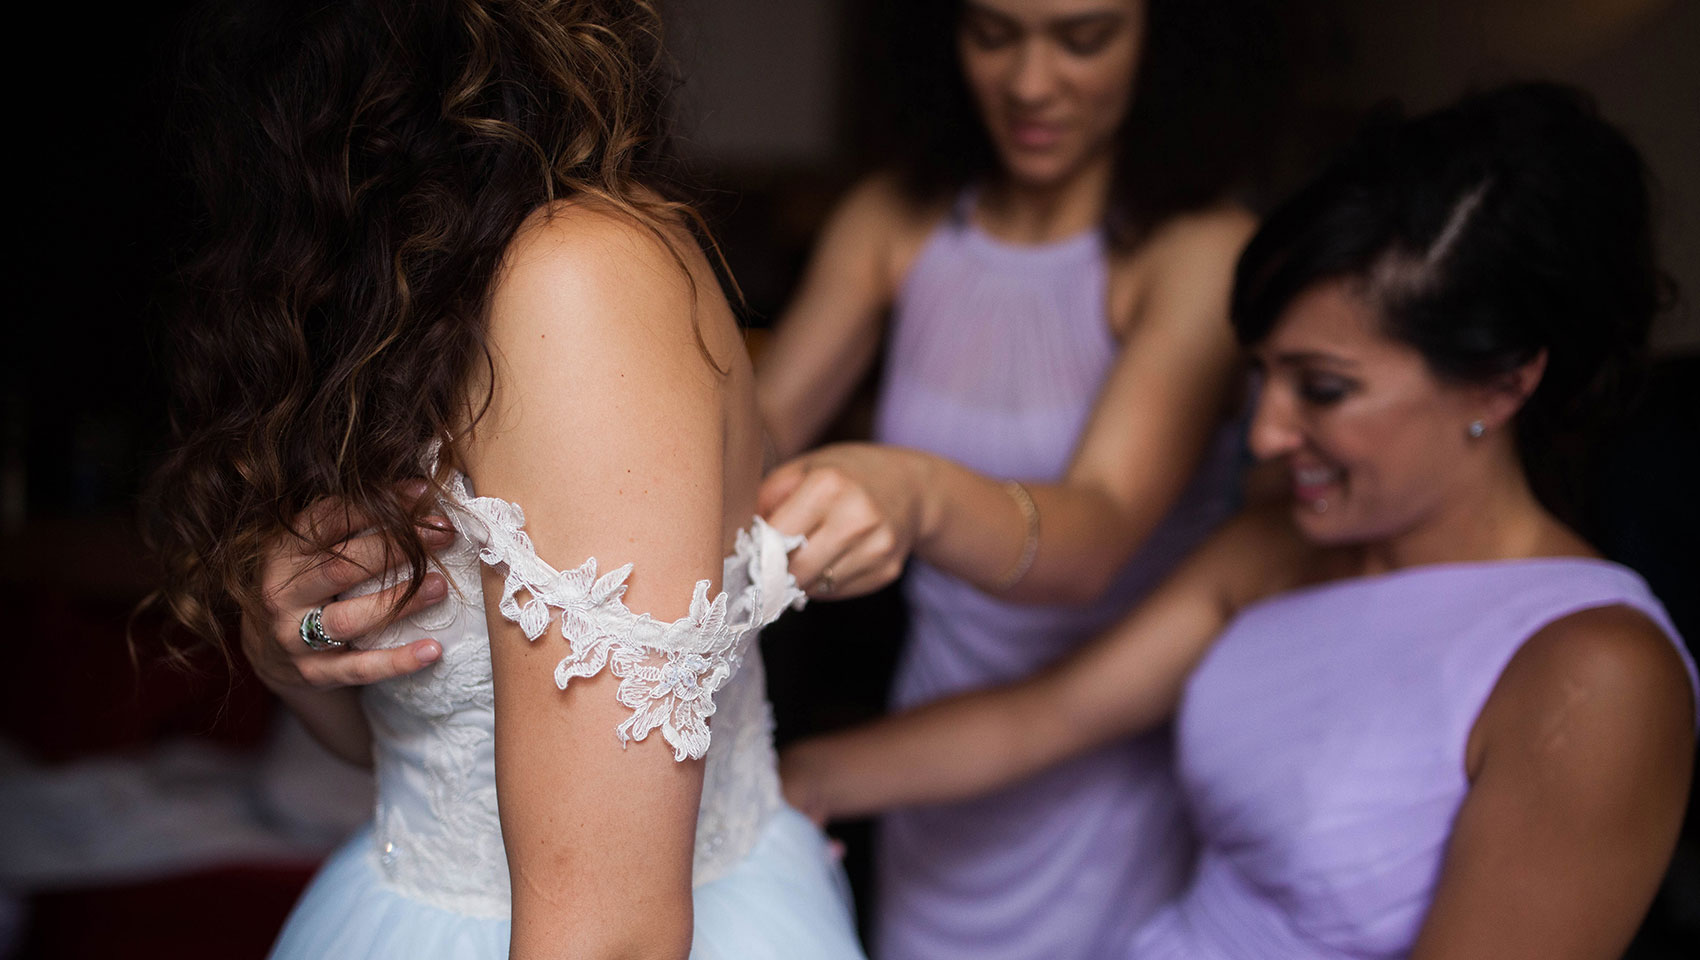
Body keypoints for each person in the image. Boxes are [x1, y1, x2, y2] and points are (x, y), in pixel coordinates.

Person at [242, 1, 1277, 955]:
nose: (1031, 80)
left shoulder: (1196, 250)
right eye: (993, 34)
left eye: (1081, 38)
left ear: (1166, 42)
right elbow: (737, 430)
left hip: (1094, 734)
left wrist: (915, 493)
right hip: (920, 723)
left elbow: (1094, 533)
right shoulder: (899, 218)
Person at [778, 82, 1698, 959]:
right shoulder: (1281, 549)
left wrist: (919, 494)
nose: (1264, 433)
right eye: (1264, 378)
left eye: (1324, 390)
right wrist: (794, 780)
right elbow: (1046, 717)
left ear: (1502, 383)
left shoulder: (1595, 675)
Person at [144, 2, 864, 958]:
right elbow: (431, 752)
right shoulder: (385, 283)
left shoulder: (580, 283)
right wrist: (288, 647)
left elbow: (617, 935)